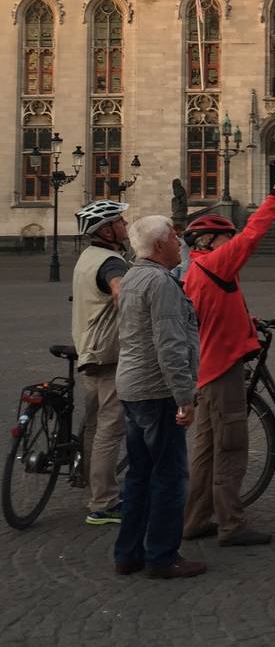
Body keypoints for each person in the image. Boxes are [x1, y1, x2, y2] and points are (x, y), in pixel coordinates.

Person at [182, 173, 275, 547]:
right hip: (222, 370)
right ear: (210, 240)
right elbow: (252, 234)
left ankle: (194, 519)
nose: (232, 241)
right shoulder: (215, 263)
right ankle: (231, 524)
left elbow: (217, 310)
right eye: (225, 236)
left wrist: (249, 322)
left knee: (206, 449)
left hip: (207, 369)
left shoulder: (198, 272)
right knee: (231, 448)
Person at [114, 216, 203, 579]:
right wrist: (185, 397)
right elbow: (170, 345)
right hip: (157, 390)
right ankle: (163, 556)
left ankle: (128, 553)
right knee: (169, 476)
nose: (179, 240)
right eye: (173, 236)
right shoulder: (160, 283)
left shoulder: (134, 276)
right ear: (159, 245)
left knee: (139, 474)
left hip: (132, 387)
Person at [71, 200, 130, 526]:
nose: (125, 225)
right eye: (120, 222)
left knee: (94, 426)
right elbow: (121, 290)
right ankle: (104, 502)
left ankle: (95, 488)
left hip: (87, 351)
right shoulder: (111, 262)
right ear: (106, 230)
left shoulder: (87, 257)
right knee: (110, 429)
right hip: (108, 356)